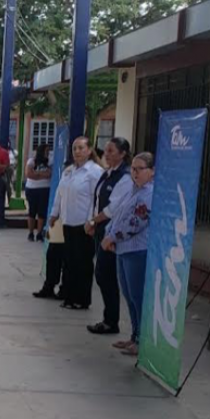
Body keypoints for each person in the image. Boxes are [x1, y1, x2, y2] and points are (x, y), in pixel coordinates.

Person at [102, 152, 155, 356]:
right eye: (133, 168)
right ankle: (134, 335)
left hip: (137, 250)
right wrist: (109, 234)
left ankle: (142, 340)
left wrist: (113, 237)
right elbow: (119, 215)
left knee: (138, 296)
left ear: (151, 172)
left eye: (140, 169)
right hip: (123, 249)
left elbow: (136, 221)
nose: (135, 172)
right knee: (129, 296)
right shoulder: (133, 190)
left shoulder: (149, 193)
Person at [48, 137, 103, 310]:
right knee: (69, 261)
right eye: (74, 148)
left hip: (84, 224)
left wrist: (91, 221)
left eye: (81, 148)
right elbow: (60, 192)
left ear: (89, 150)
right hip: (68, 222)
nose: (77, 152)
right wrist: (54, 214)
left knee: (83, 263)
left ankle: (82, 298)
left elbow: (97, 199)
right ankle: (69, 297)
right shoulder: (69, 171)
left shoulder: (94, 172)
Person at [85, 137, 133, 336]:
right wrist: (92, 221)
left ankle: (111, 320)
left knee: (105, 274)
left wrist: (94, 221)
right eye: (106, 150)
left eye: (111, 151)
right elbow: (97, 199)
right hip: (101, 229)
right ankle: (109, 318)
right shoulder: (107, 174)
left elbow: (112, 208)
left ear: (122, 154)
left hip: (112, 232)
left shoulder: (125, 177)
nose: (106, 154)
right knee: (104, 275)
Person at [24, 144, 52, 241]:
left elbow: (50, 174)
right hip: (31, 189)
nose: (48, 153)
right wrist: (42, 175)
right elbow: (29, 174)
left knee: (42, 212)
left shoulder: (50, 161)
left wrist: (37, 174)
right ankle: (31, 233)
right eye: (46, 151)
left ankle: (39, 233)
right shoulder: (31, 161)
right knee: (32, 211)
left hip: (44, 189)